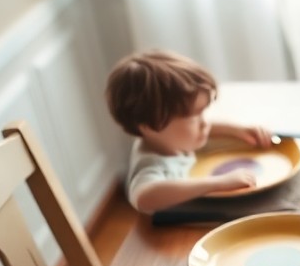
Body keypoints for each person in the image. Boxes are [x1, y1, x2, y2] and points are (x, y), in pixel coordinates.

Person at [105, 50, 273, 213]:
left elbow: (205, 128)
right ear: (149, 126)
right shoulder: (151, 164)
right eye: (193, 117)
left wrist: (237, 130)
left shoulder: (166, 138)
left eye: (203, 112)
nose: (204, 123)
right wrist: (218, 183)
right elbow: (142, 197)